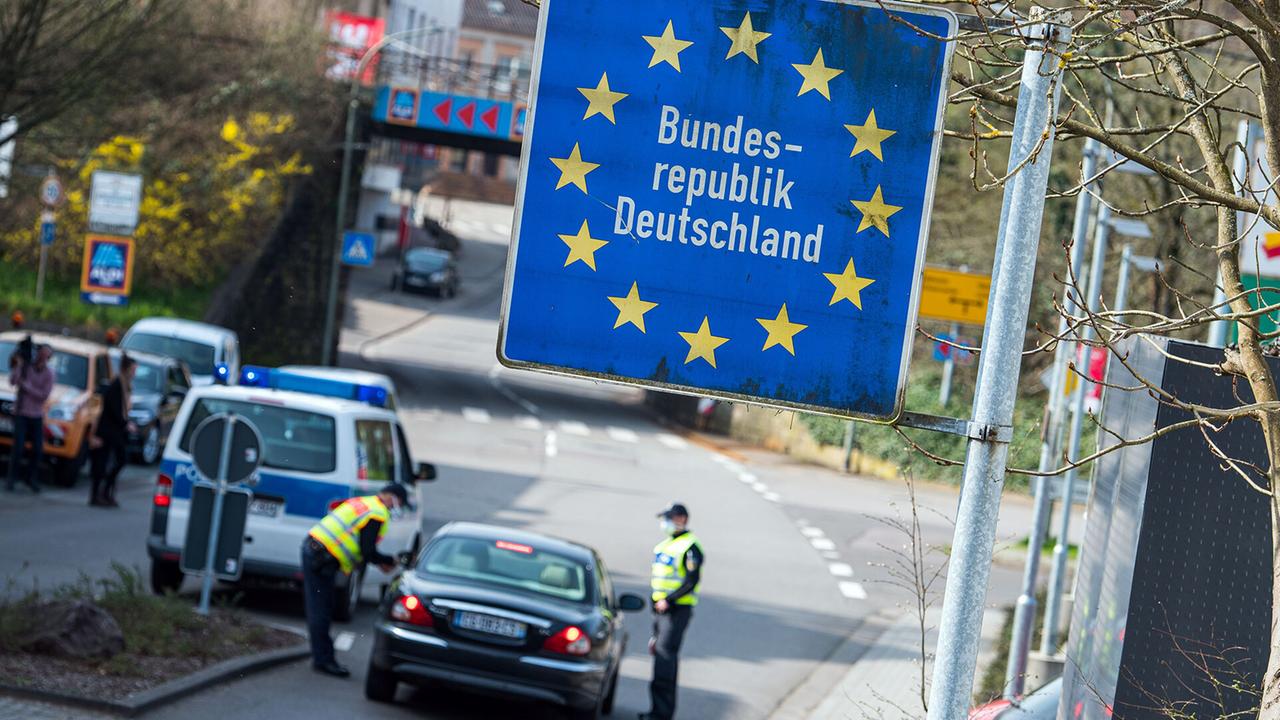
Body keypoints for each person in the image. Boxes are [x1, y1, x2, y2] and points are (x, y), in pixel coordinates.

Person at [303, 483, 412, 677]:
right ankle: (323, 660)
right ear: (391, 496)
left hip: (316, 551)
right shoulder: (377, 513)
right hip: (321, 557)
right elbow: (367, 550)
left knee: (322, 607)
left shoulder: (364, 502)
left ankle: (322, 656)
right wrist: (389, 561)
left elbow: (357, 545)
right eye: (399, 502)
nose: (396, 507)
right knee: (321, 609)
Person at [641, 503, 704, 720]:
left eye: (669, 518)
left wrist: (669, 599)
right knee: (659, 655)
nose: (665, 523)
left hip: (676, 610)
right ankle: (656, 711)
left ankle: (662, 714)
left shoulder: (690, 547)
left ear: (682, 519)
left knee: (665, 658)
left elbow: (691, 581)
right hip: (661, 611)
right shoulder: (666, 545)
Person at [89, 353, 136, 507]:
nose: (134, 373)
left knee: (117, 460)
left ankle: (106, 492)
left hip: (115, 431)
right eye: (133, 370)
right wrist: (125, 424)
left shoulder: (125, 386)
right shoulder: (116, 385)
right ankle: (98, 494)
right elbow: (114, 410)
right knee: (103, 463)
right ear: (127, 369)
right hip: (108, 431)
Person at [7, 342, 54, 493]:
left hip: (36, 415)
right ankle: (12, 479)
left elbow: (43, 396)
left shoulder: (49, 373)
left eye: (46, 354)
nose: (43, 357)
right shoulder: (26, 367)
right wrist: (18, 366)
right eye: (41, 353)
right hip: (21, 412)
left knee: (38, 450)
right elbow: (13, 381)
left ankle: (31, 478)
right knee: (18, 448)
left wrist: (27, 386)